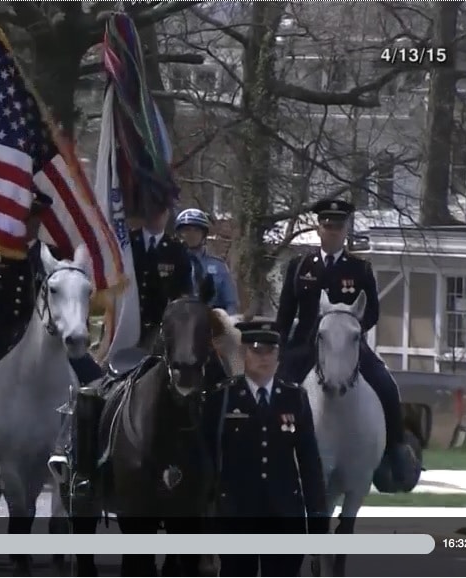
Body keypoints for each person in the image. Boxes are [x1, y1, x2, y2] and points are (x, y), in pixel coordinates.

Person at [273, 198, 416, 491]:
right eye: (327, 226)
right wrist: (279, 349)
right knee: (276, 388)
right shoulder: (300, 266)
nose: (332, 232)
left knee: (386, 384)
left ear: (346, 230)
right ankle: (272, 448)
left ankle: (395, 452)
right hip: (306, 346)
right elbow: (286, 312)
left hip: (349, 345)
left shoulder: (359, 268)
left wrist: (350, 330)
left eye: (338, 227)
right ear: (318, 228)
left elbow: (373, 310)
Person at [0, 193, 104, 478]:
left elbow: (71, 296)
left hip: (46, 341)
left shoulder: (53, 256)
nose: (30, 224)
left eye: (35, 218)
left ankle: (89, 456)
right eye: (26, 218)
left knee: (95, 382)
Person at [203, 319, 328, 577]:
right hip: (237, 516)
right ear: (243, 353)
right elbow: (207, 461)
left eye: (270, 351)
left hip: (284, 516)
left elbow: (309, 462)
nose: (264, 358)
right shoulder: (222, 398)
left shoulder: (295, 398)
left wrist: (317, 517)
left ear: (279, 355)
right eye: (257, 350)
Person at [130, 206, 193, 346]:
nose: (156, 217)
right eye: (152, 210)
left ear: (167, 214)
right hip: (126, 324)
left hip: (159, 329)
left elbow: (184, 292)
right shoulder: (128, 242)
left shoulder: (176, 248)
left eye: (161, 211)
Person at [174, 208, 238, 314]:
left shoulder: (218, 266)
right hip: (179, 322)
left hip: (210, 323)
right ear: (179, 233)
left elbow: (230, 303)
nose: (191, 234)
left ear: (204, 234)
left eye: (196, 230)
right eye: (187, 230)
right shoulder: (172, 262)